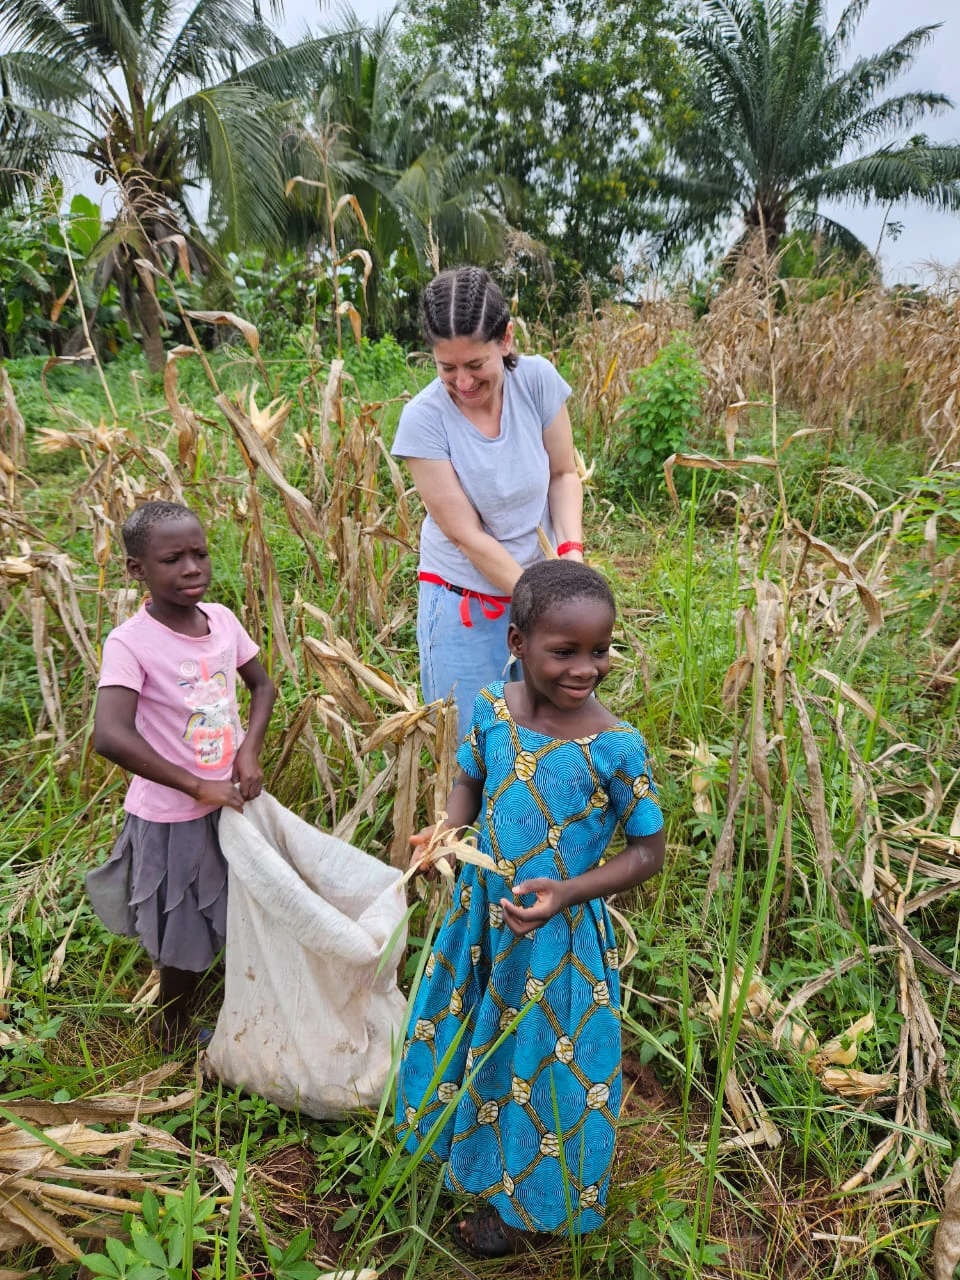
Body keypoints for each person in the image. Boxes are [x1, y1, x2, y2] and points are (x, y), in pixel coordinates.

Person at [395, 560, 665, 1258]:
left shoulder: (614, 747)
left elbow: (648, 853)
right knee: (474, 1038)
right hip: (482, 918)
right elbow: (469, 780)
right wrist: (450, 831)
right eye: (564, 651)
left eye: (599, 650)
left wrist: (568, 892)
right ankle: (469, 1161)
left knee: (542, 1063)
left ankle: (527, 1212)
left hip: (558, 939)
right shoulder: (491, 707)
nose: (586, 668)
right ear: (516, 641)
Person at [88, 500, 276, 1051]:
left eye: (200, 553)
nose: (192, 568)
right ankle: (170, 1029)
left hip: (228, 800)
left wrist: (248, 752)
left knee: (222, 908)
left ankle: (208, 1000)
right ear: (137, 570)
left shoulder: (221, 621)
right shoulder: (131, 643)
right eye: (173, 559)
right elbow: (111, 735)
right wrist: (196, 784)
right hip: (174, 813)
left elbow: (260, 686)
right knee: (183, 928)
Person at [391, 266, 585, 734]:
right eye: (446, 368)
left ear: (506, 339)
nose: (462, 382)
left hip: (542, 590)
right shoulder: (424, 420)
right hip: (465, 606)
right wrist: (543, 605)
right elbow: (466, 535)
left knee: (555, 740)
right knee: (474, 751)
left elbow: (563, 474)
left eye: (475, 365)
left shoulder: (537, 381)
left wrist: (571, 561)